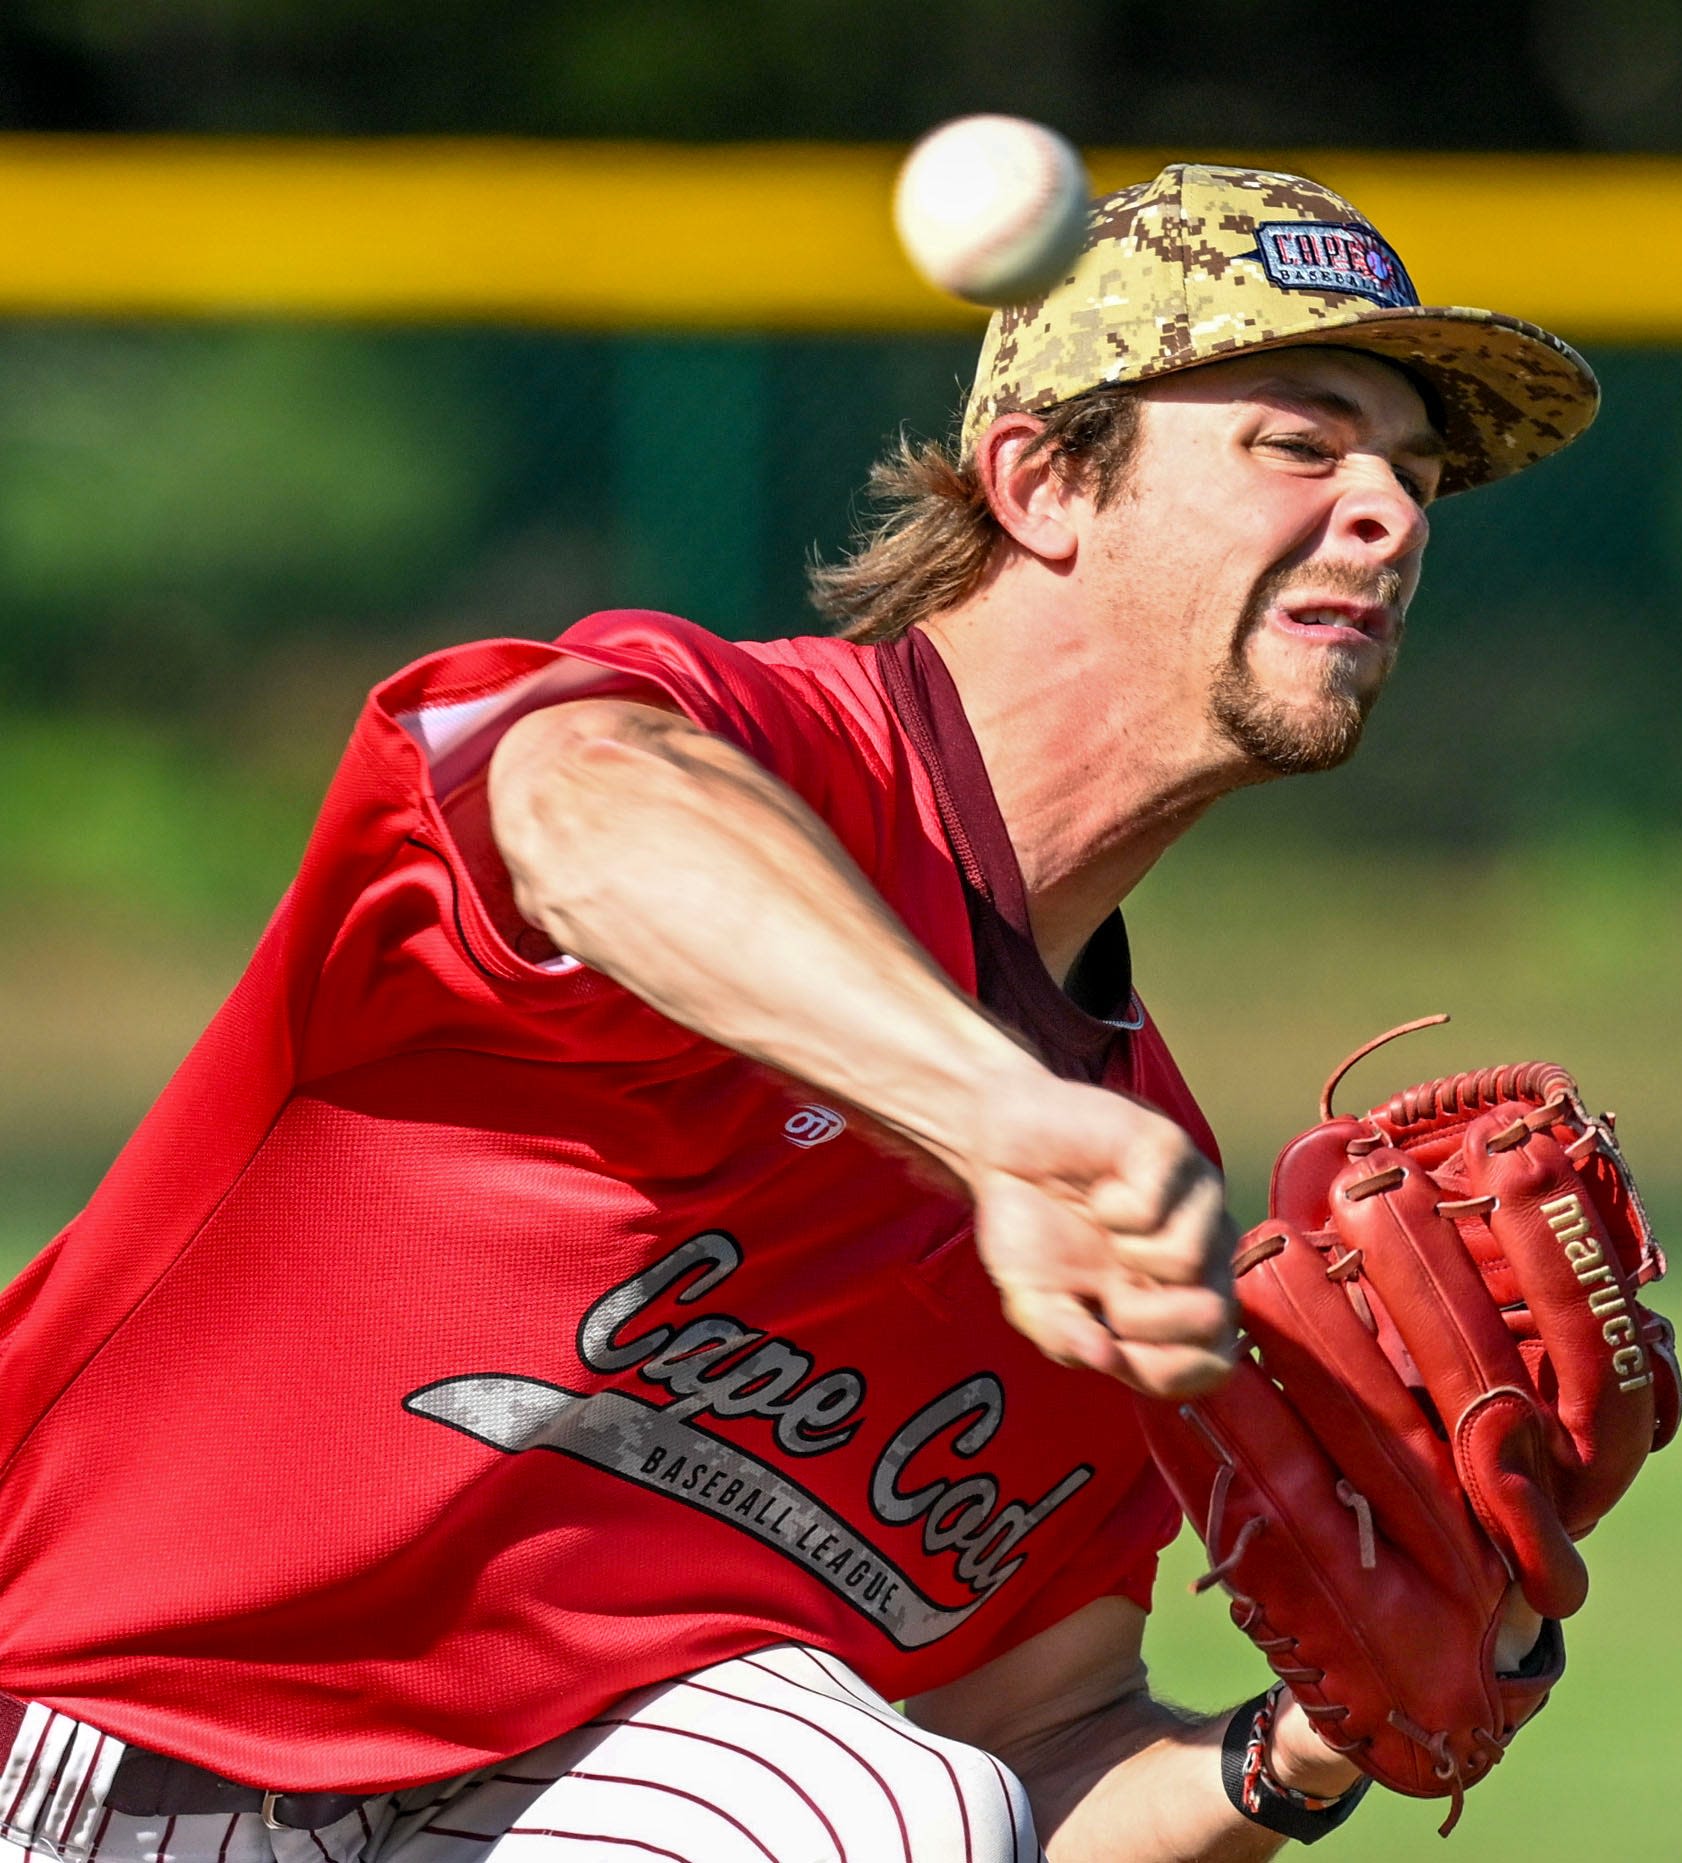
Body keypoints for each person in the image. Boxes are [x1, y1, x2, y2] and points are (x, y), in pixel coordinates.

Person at [0, 165, 1597, 1863]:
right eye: (1302, 440)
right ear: (1043, 480)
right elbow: (577, 802)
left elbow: (1032, 1736)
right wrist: (985, 1117)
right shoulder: (739, 749)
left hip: (498, 1811)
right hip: (88, 1739)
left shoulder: (1121, 1170)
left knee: (896, 1814)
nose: (1390, 513)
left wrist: (1301, 1748)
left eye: (1413, 477)